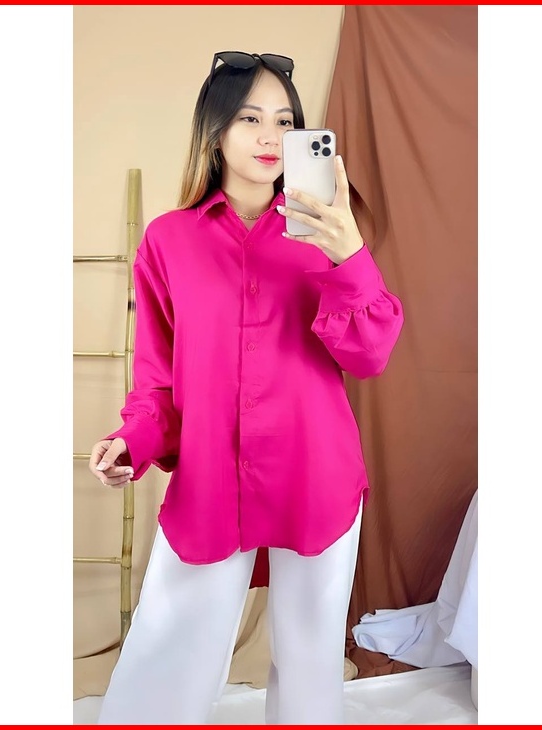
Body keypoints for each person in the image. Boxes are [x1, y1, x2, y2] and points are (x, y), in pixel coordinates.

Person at [88, 51, 405, 725]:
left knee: (311, 656)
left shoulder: (328, 232)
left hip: (315, 471)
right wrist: (131, 442)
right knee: (171, 636)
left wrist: (349, 255)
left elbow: (371, 354)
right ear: (215, 131)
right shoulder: (168, 241)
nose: (270, 136)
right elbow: (158, 380)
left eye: (285, 121)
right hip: (212, 472)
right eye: (250, 118)